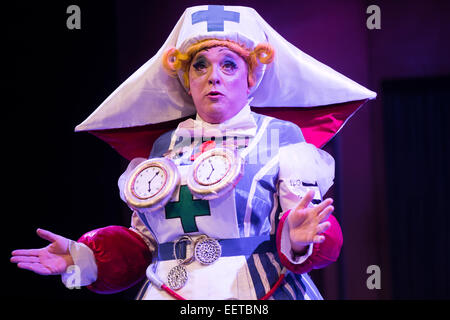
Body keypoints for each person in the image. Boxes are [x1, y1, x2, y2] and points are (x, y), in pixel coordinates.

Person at [10, 5, 376, 300]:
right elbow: (143, 243)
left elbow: (309, 227)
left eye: (228, 64)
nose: (213, 76)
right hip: (170, 290)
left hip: (260, 292)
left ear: (251, 79)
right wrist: (86, 256)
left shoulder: (282, 137)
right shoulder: (163, 146)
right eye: (200, 65)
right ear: (187, 79)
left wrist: (299, 238)